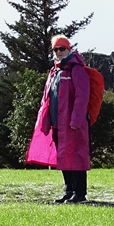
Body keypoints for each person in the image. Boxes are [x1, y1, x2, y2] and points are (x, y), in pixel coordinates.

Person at [40, 36, 92, 202]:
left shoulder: (77, 70)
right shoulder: (54, 71)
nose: (59, 52)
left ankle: (79, 193)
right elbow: (47, 99)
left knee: (76, 156)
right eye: (56, 49)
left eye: (62, 48)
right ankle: (68, 191)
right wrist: (45, 121)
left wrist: (76, 121)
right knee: (63, 157)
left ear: (69, 49)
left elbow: (81, 97)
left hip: (73, 124)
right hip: (58, 124)